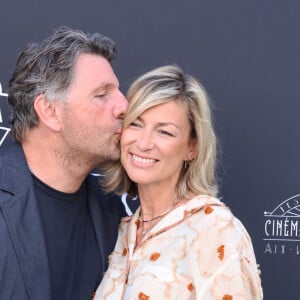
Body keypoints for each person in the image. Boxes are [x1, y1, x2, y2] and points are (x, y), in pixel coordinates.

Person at [95, 65, 263, 299]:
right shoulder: (122, 232)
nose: (144, 143)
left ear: (192, 148)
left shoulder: (213, 228)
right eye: (135, 123)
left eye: (164, 132)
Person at [0, 27, 136, 300]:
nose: (124, 105)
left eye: (118, 91)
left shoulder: (114, 217)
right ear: (51, 112)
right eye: (102, 95)